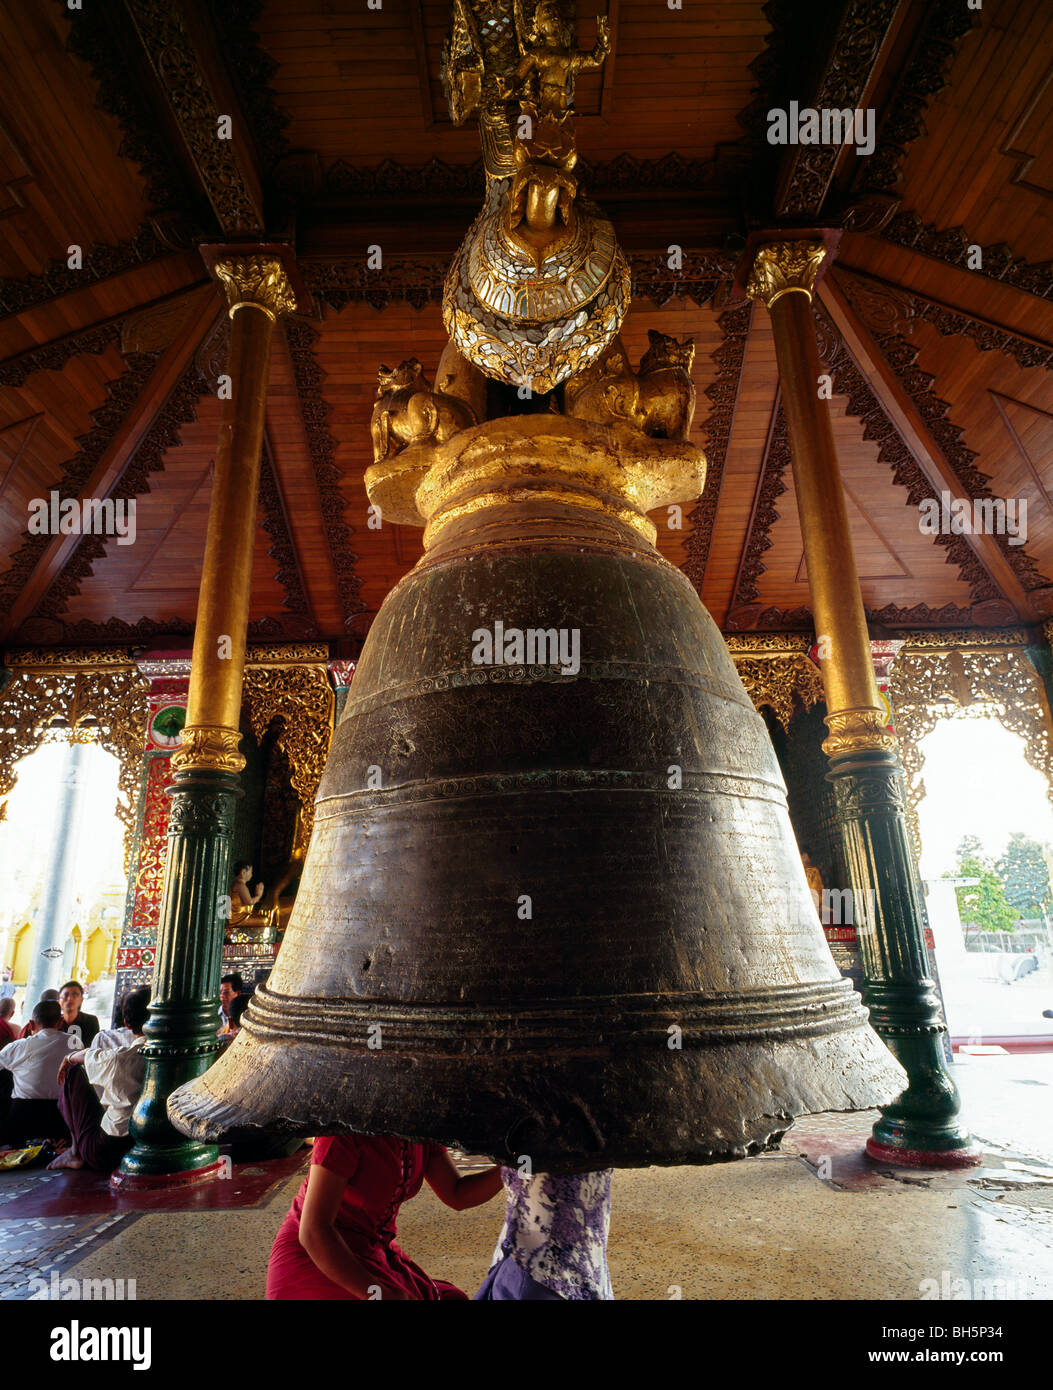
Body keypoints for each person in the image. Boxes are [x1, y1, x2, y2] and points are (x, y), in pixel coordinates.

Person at [266, 1134, 503, 1300]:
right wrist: (376, 1292)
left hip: (373, 1251)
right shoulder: (345, 1131)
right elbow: (314, 1231)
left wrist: (515, 1169)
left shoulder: (417, 1126)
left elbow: (456, 1193)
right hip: (319, 1257)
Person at [48, 986, 150, 1173]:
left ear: (126, 1024)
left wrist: (69, 1058)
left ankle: (75, 1151)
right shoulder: (177, 1052)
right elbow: (90, 1054)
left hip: (108, 1151)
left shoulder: (119, 1059)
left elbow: (89, 1057)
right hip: (151, 1141)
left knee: (73, 1074)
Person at [474, 1166, 614, 1300]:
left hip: (567, 1271)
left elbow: (524, 1174)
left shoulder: (519, 1153)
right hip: (538, 1273)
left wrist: (517, 1162)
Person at [0, 1000, 74, 1146]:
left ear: (31, 1025)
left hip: (22, 1115)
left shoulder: (20, 1046)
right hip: (60, 1116)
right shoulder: (74, 1042)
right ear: (60, 1022)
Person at [57, 981, 99, 1048]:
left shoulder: (91, 1021)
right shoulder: (53, 1022)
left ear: (81, 1000)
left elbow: (91, 1050)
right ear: (59, 1001)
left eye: (75, 995)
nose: (70, 999)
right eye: (65, 995)